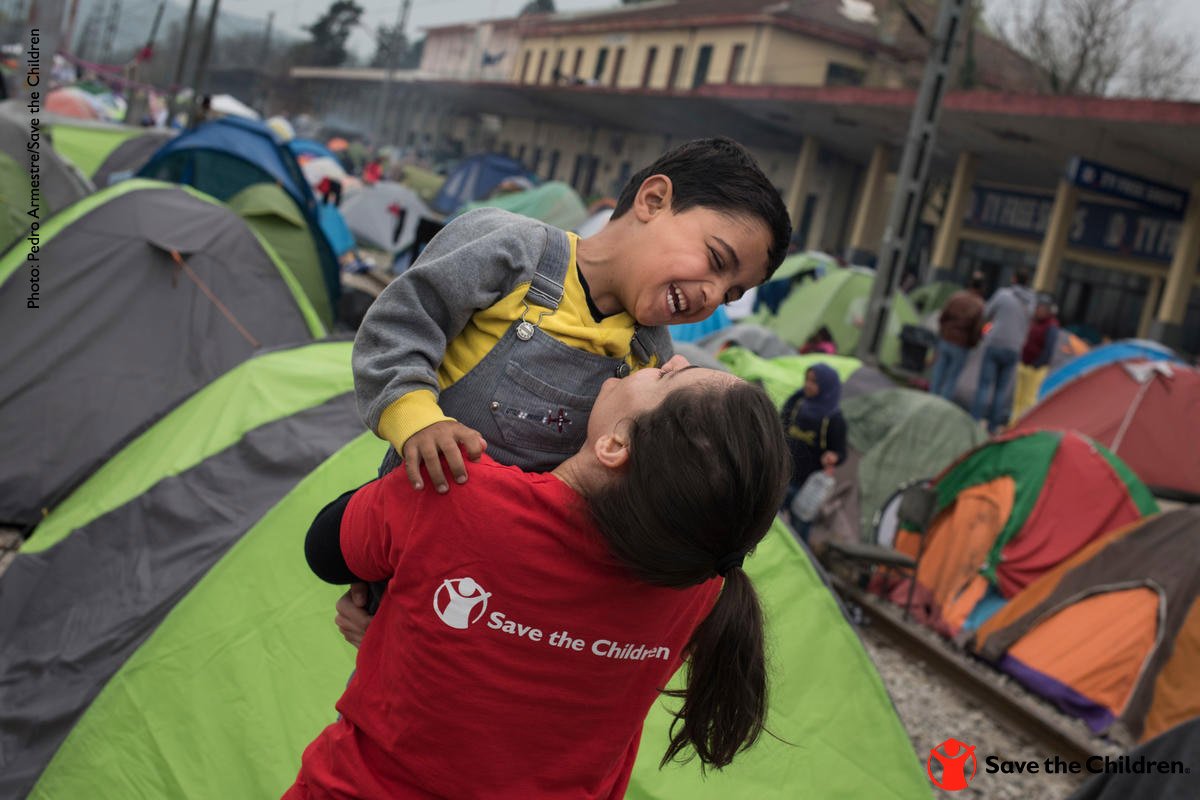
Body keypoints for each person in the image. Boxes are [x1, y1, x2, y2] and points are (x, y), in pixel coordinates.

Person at [288, 361, 792, 798]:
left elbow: (325, 551)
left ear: (616, 444)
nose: (670, 357)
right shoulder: (699, 587)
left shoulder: (459, 493)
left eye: (665, 377)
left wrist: (391, 626)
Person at [353, 136, 791, 494]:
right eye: (717, 259)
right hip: (408, 515)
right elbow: (396, 330)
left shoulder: (651, 359)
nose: (712, 296)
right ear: (654, 200)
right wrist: (417, 422)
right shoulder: (509, 248)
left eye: (731, 294)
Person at [780, 363, 847, 542]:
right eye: (807, 380)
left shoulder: (834, 419)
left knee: (799, 530)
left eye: (814, 382)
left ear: (826, 386)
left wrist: (833, 457)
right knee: (770, 520)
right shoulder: (797, 403)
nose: (808, 385)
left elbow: (841, 452)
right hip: (785, 475)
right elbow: (781, 424)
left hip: (808, 485)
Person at [971, 267, 1035, 433]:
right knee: (1001, 390)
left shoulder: (1003, 295)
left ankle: (975, 422)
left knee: (985, 386)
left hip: (995, 343)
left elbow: (987, 313)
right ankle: (993, 427)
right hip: (1014, 348)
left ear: (1013, 279)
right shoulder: (1032, 302)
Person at [929, 273, 985, 400]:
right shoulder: (979, 305)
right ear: (982, 288)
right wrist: (972, 343)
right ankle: (943, 403)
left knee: (938, 373)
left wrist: (943, 332)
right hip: (962, 344)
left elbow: (943, 317)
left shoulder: (956, 297)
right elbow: (977, 329)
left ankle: (931, 398)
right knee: (952, 378)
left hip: (946, 338)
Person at [1011, 294, 1060, 420]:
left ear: (1048, 311)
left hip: (1036, 369)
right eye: (1038, 307)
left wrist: (1036, 364)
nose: (1039, 310)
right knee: (1018, 397)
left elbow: (1048, 350)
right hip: (1024, 364)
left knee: (1029, 399)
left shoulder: (1051, 326)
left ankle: (1023, 423)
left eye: (1042, 308)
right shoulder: (1034, 322)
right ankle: (1014, 421)